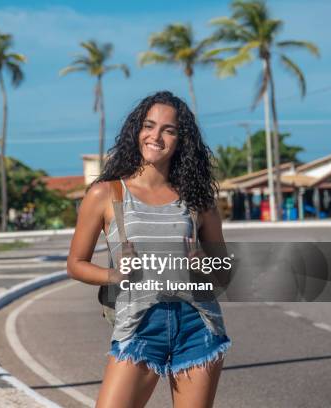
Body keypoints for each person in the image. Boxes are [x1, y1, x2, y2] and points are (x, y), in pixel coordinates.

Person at [67, 91, 232, 408]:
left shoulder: (198, 199)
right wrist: (114, 274)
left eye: (169, 130)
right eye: (149, 126)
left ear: (181, 140)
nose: (156, 136)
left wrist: (204, 265)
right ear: (136, 131)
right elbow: (75, 264)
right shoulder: (107, 193)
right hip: (139, 326)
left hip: (198, 325)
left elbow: (223, 272)